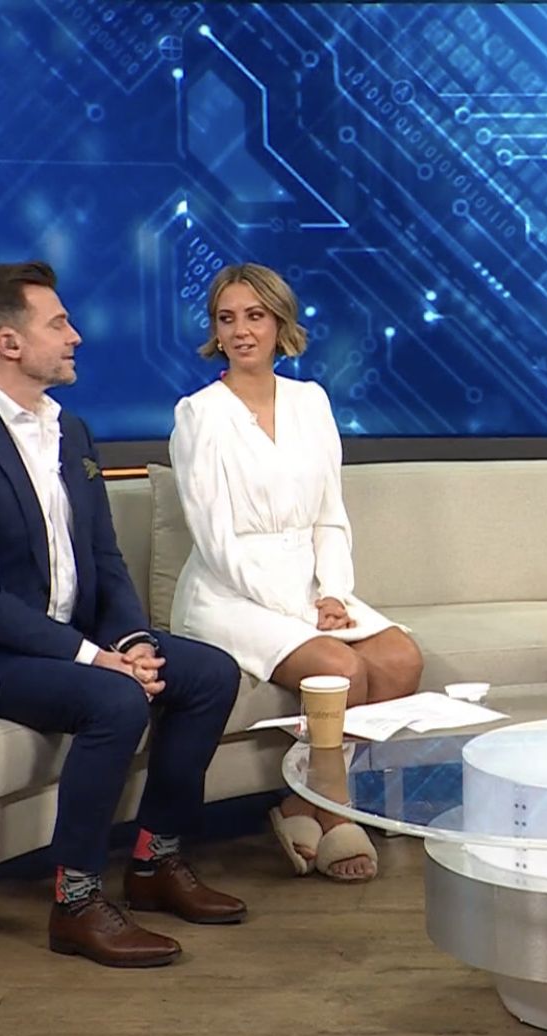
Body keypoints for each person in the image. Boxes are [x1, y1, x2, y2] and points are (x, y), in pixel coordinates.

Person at [0, 261, 246, 969]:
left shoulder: (72, 432)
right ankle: (77, 902)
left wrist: (134, 640)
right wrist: (96, 660)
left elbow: (104, 558)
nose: (76, 336)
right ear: (8, 343)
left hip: (67, 640)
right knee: (115, 699)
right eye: (58, 323)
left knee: (210, 673)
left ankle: (155, 861)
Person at [168, 263, 423, 883]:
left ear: (279, 323)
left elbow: (329, 515)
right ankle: (336, 811)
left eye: (255, 316)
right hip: (230, 592)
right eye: (227, 319)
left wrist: (333, 593)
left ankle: (299, 802)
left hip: (309, 586)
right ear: (215, 331)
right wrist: (301, 613)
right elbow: (214, 539)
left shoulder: (311, 401)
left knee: (399, 659)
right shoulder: (199, 414)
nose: (241, 331)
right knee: (341, 668)